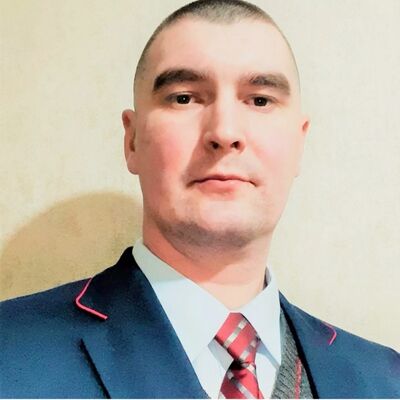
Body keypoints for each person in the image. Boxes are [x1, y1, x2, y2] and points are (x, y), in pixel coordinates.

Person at [1, 0, 399, 398]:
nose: (224, 132)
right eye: (184, 98)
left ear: (299, 142)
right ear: (132, 140)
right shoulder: (12, 353)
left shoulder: (384, 380)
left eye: (260, 100)